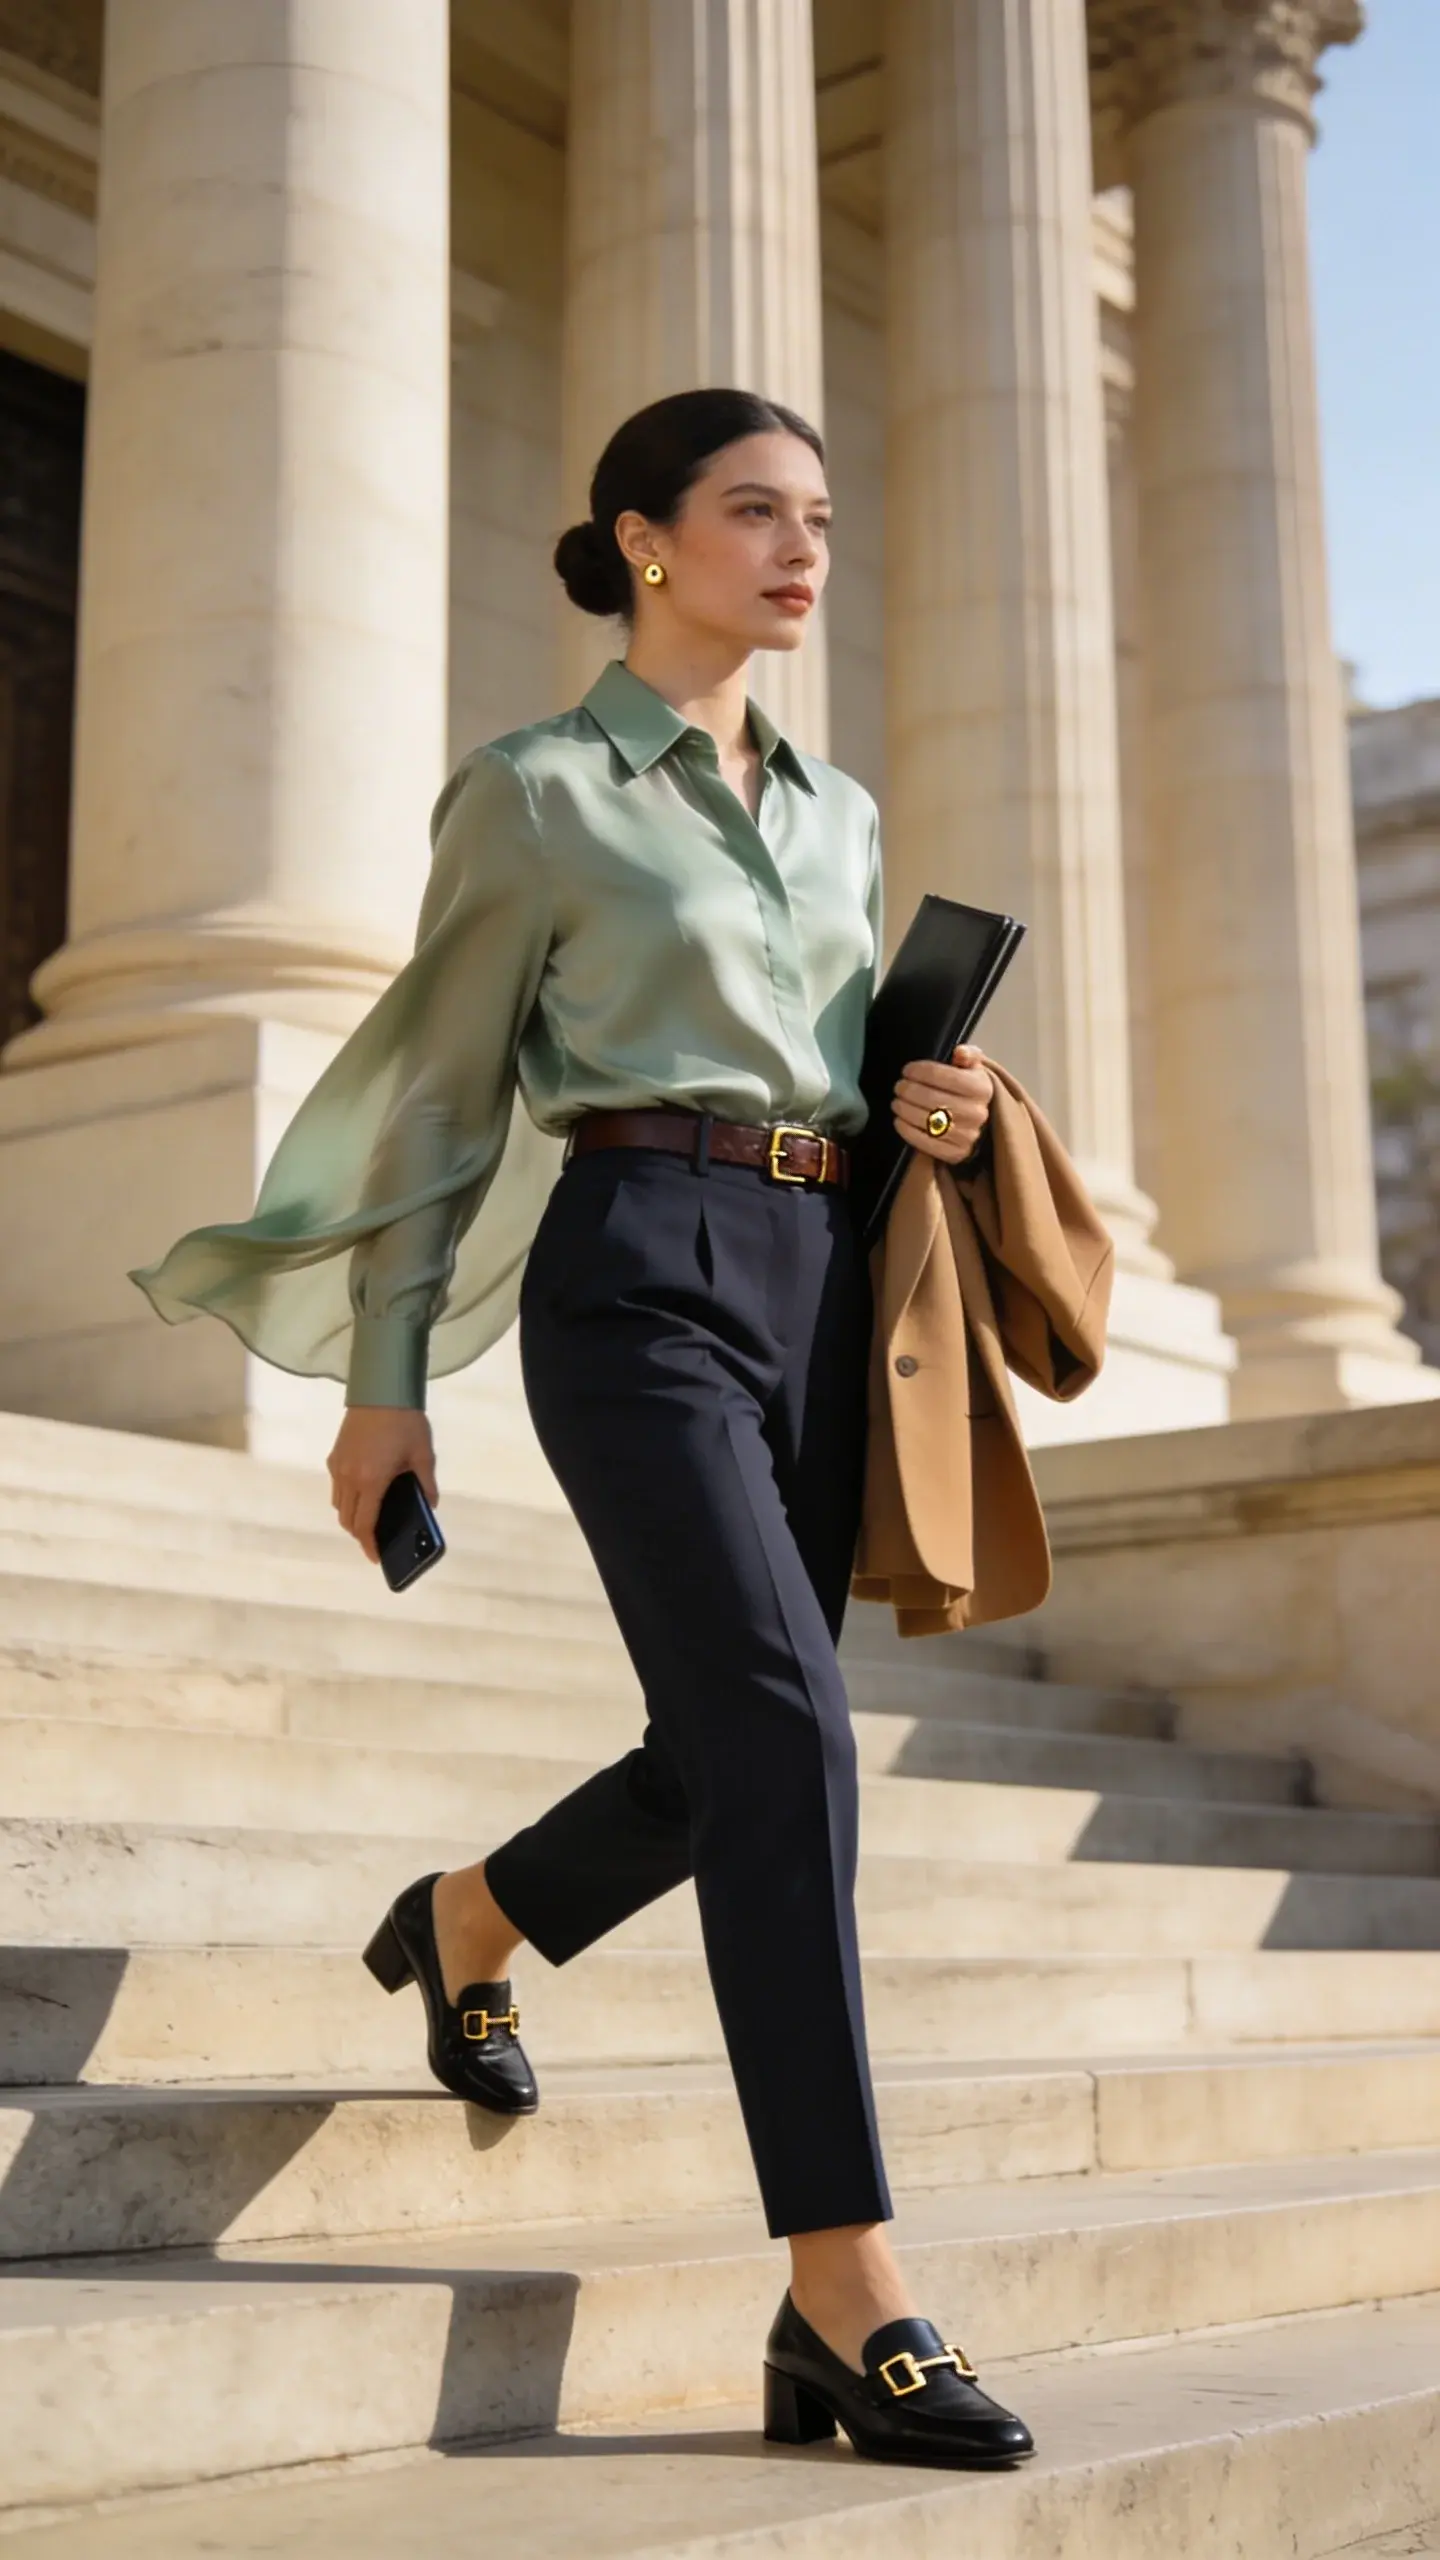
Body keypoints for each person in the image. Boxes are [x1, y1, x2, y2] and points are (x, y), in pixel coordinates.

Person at [129, 386, 1034, 2469]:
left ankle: (469, 1920)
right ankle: (846, 2280)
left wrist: (941, 1104)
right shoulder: (535, 793)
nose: (801, 550)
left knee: (730, 1744)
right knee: (786, 1731)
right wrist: (384, 1383)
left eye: (819, 517)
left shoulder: (841, 813)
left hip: (823, 1281)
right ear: (645, 538)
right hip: (636, 1273)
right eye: (755, 512)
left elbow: (837, 1070)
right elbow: (442, 1101)